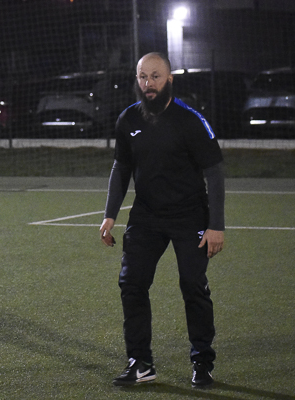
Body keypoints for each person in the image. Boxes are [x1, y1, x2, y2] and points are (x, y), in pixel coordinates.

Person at [99, 52, 225, 388]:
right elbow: (121, 167)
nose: (148, 83)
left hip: (190, 215)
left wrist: (216, 225)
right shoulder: (128, 119)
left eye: (155, 76)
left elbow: (214, 172)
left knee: (192, 285)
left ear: (169, 79)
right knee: (132, 283)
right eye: (143, 77)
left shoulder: (190, 120)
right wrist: (110, 214)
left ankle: (202, 361)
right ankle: (140, 362)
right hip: (146, 216)